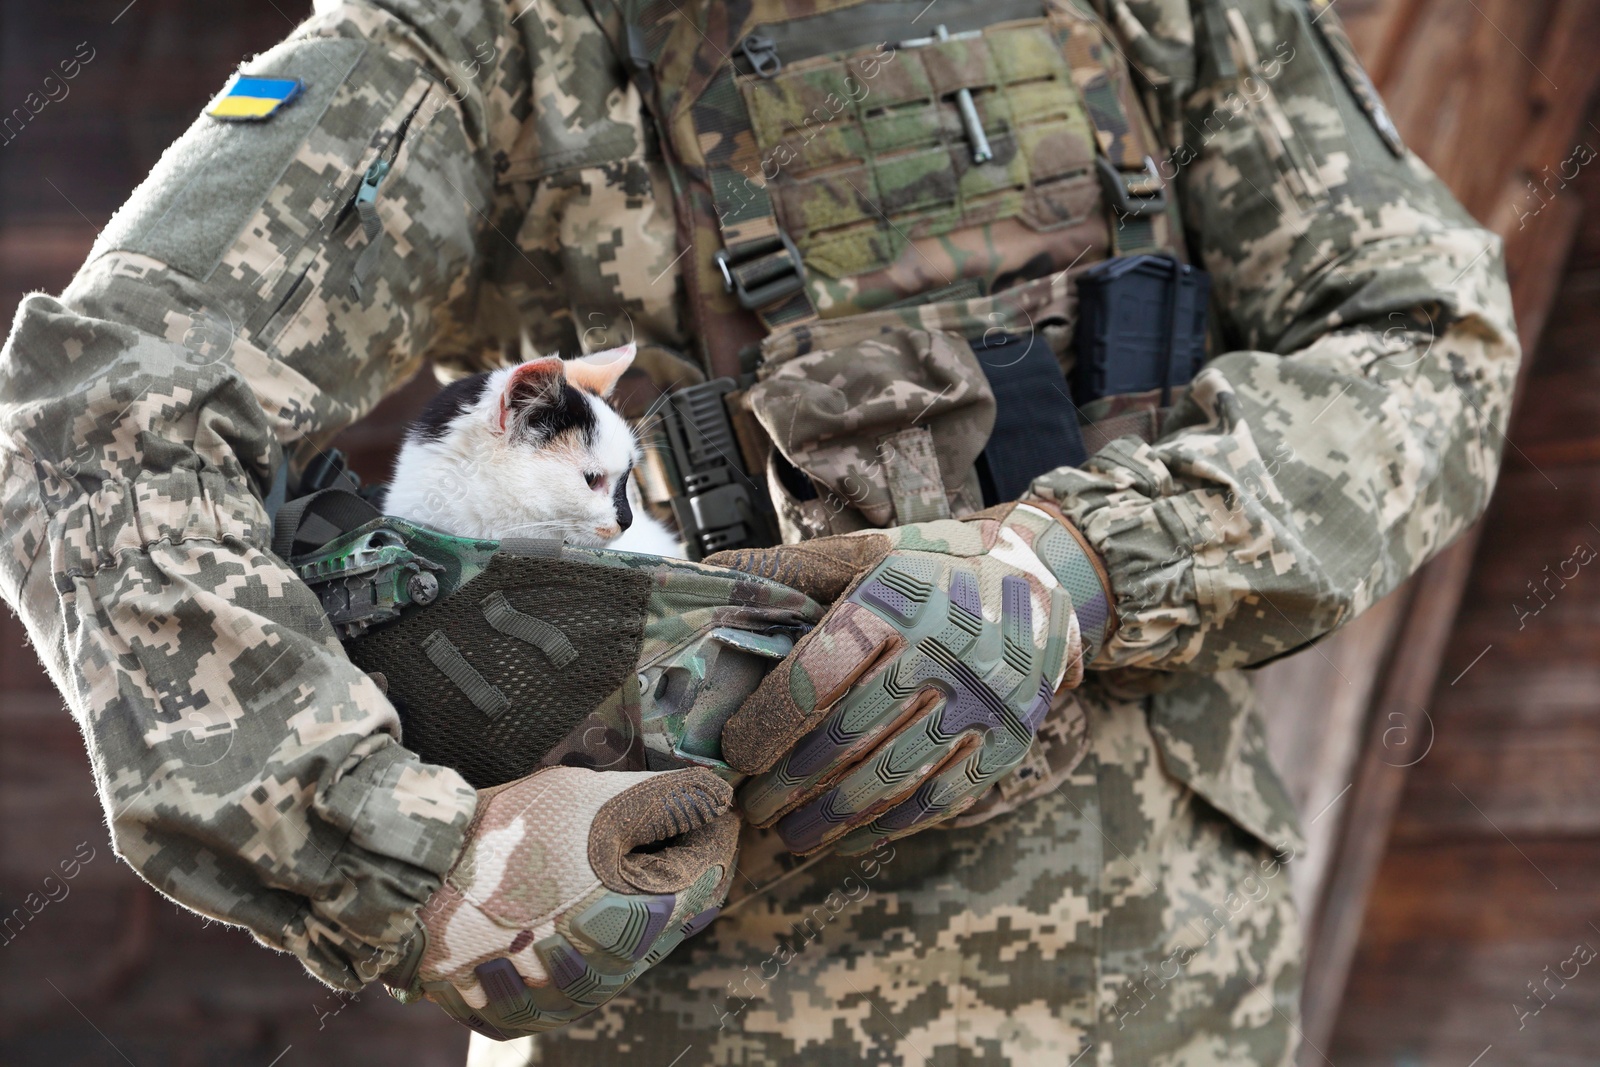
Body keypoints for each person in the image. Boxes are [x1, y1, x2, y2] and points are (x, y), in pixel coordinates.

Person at [0, 0, 1517, 1062]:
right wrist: (396, 857)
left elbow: (1425, 338)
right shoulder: (489, 43)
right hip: (687, 1010)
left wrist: (1091, 561)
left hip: (1167, 1008)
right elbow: (94, 421)